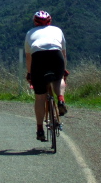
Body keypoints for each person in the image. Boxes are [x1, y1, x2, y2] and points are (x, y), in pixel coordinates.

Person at [24, 10, 68, 141]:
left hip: (39, 58)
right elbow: (64, 53)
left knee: (40, 97)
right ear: (50, 21)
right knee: (59, 78)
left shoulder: (30, 33)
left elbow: (28, 58)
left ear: (35, 22)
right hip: (56, 55)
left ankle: (39, 130)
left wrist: (30, 74)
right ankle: (60, 99)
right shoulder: (57, 30)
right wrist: (63, 70)